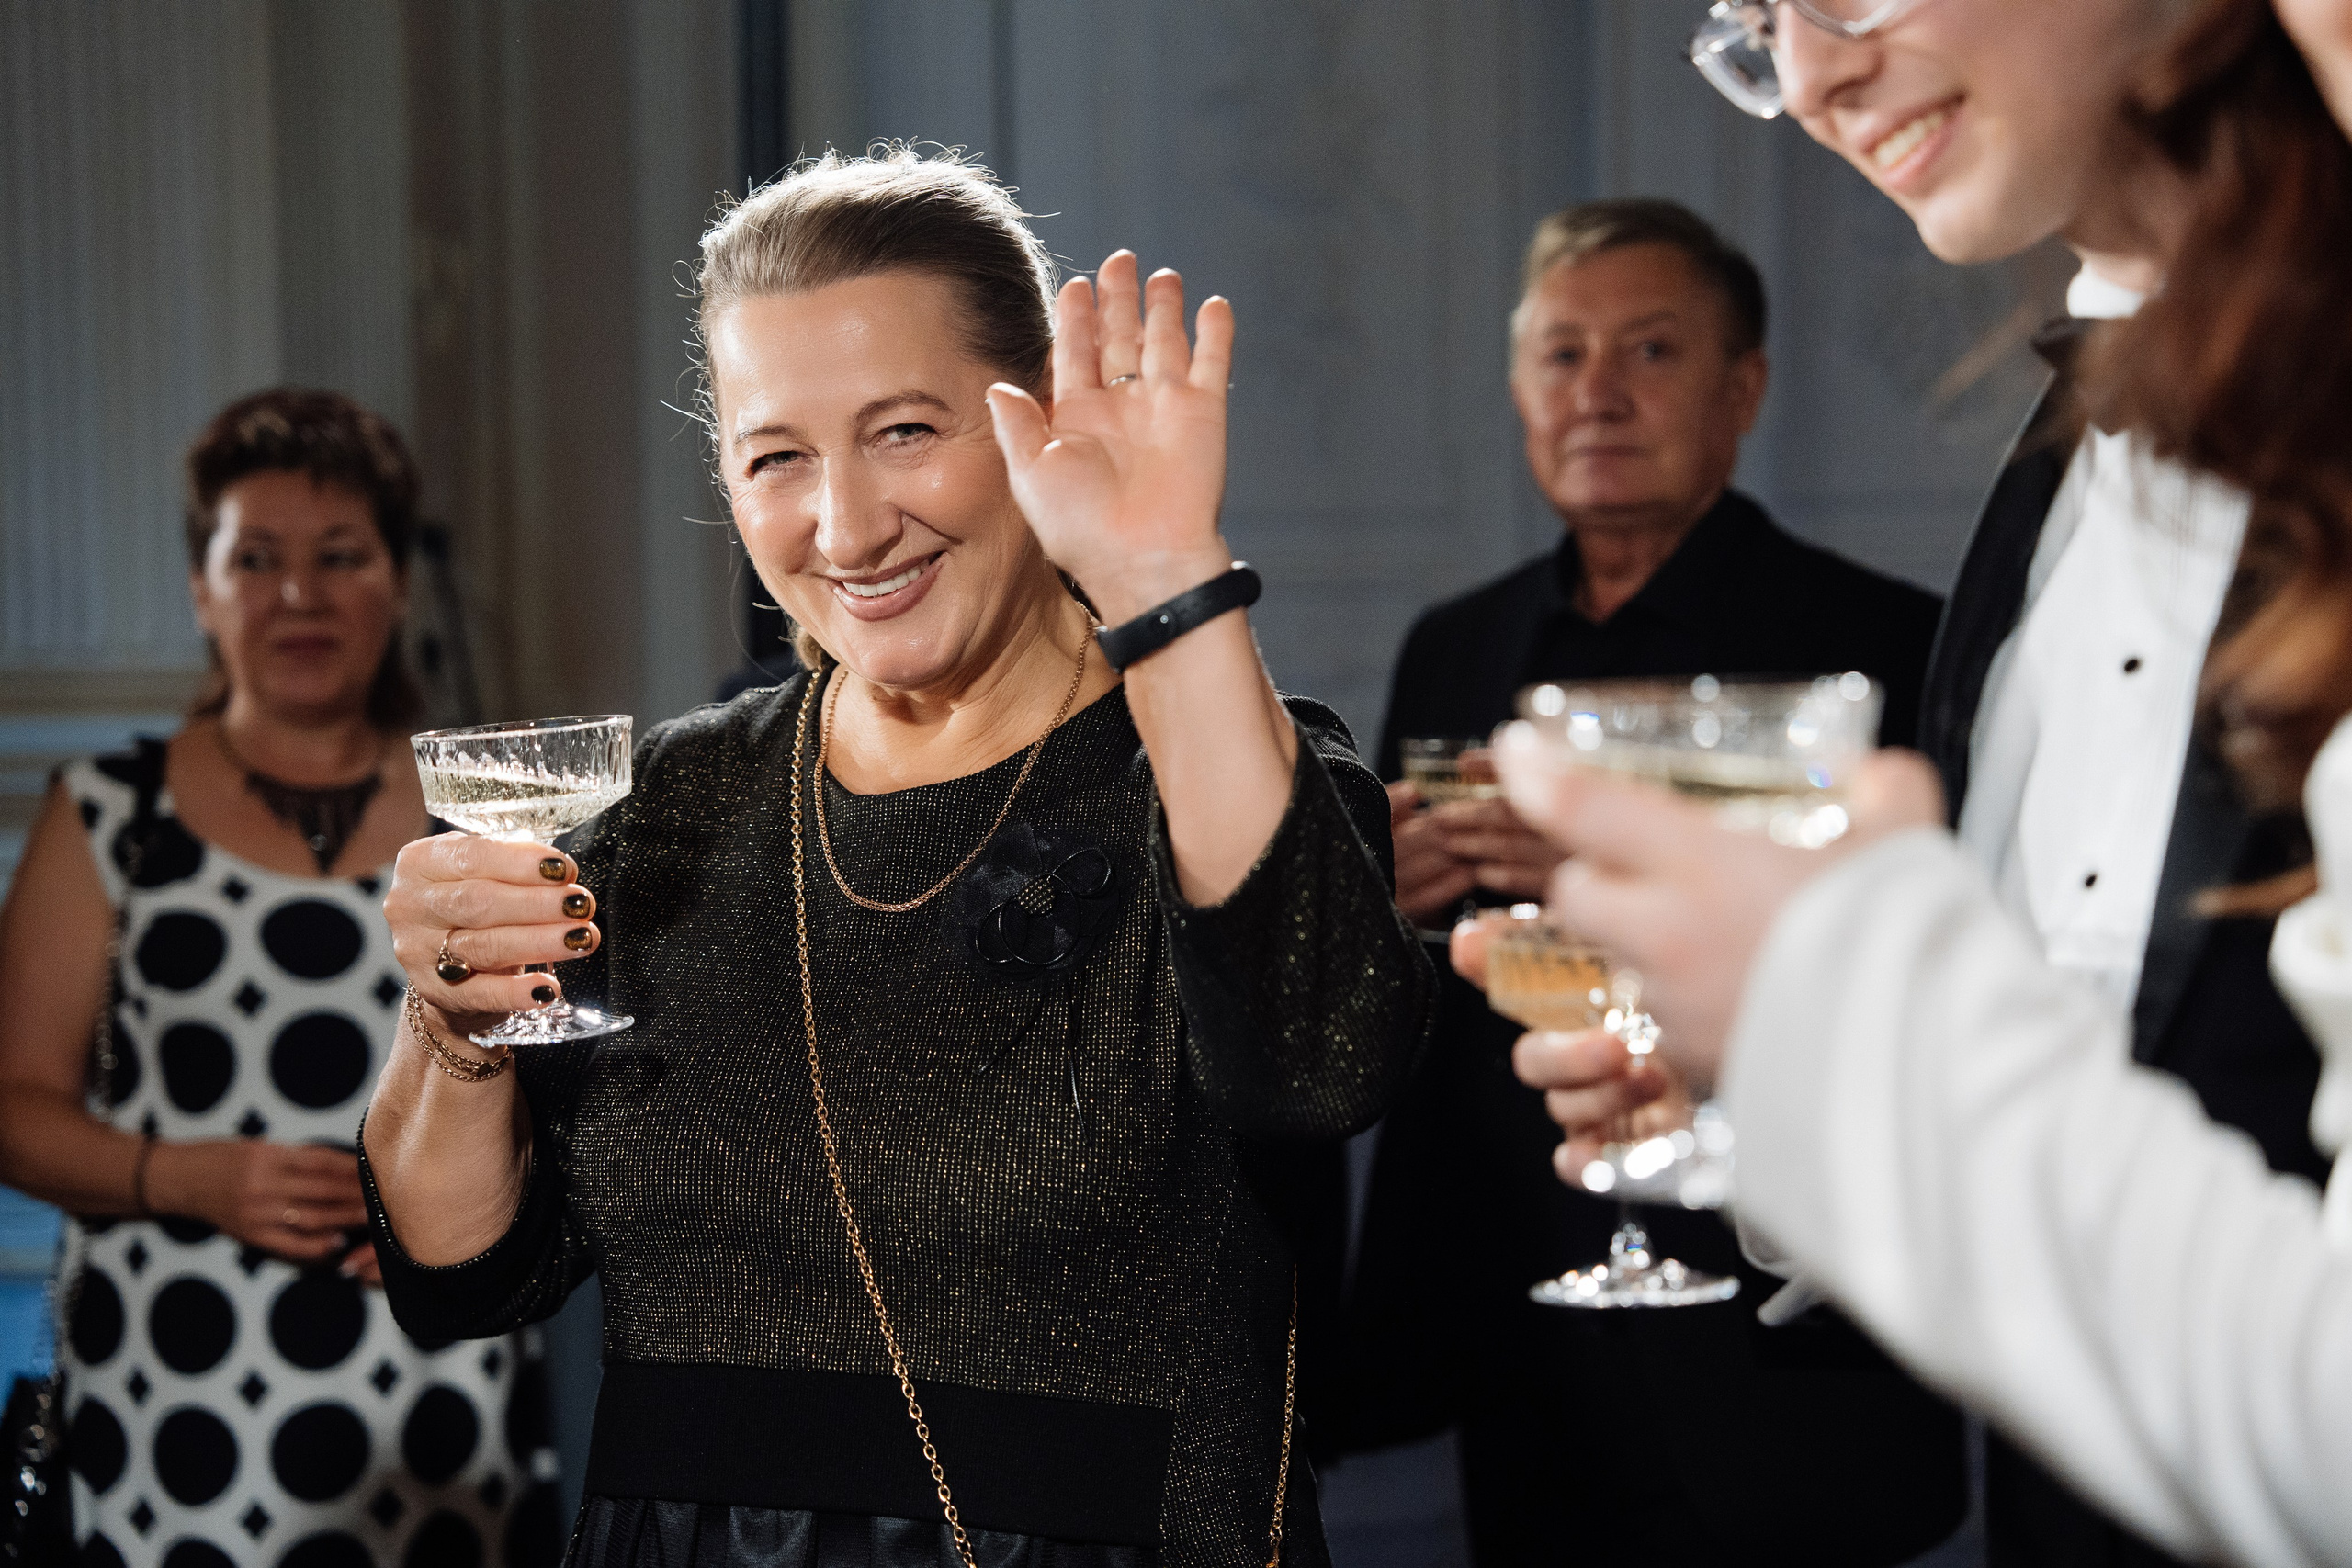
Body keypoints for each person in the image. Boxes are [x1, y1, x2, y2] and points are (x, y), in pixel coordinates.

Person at [356, 149, 1434, 1568]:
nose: (848, 526)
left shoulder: (1210, 766)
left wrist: (1164, 577)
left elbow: (1320, 1065)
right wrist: (452, 1022)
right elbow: (459, 1275)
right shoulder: (669, 805)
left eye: (907, 431)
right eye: (776, 457)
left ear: (1036, 416)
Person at [1491, 1, 2352, 1562]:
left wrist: (1848, 1024)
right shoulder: (2064, 458)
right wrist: (1765, 1082)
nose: (1811, 79)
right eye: (1756, 27)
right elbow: (2088, 1040)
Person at [1339, 199, 1962, 1563]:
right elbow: (1415, 1003)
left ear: (1744, 389)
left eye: (1652, 351)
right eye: (1562, 355)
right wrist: (1381, 898)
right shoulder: (1459, 645)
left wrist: (1607, 882)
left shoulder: (1881, 644)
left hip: (1782, 1331)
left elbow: (1923, 989)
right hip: (1525, 1313)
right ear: (1517, 391)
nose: (1598, 393)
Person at [0, 389, 561, 1566]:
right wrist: (184, 1176)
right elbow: (12, 1113)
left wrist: (439, 1200)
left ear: (397, 583)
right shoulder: (111, 814)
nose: (299, 594)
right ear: (202, 590)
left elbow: (568, 1088)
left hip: (442, 1387)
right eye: (255, 558)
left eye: (340, 555)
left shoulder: (487, 814)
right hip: (181, 1393)